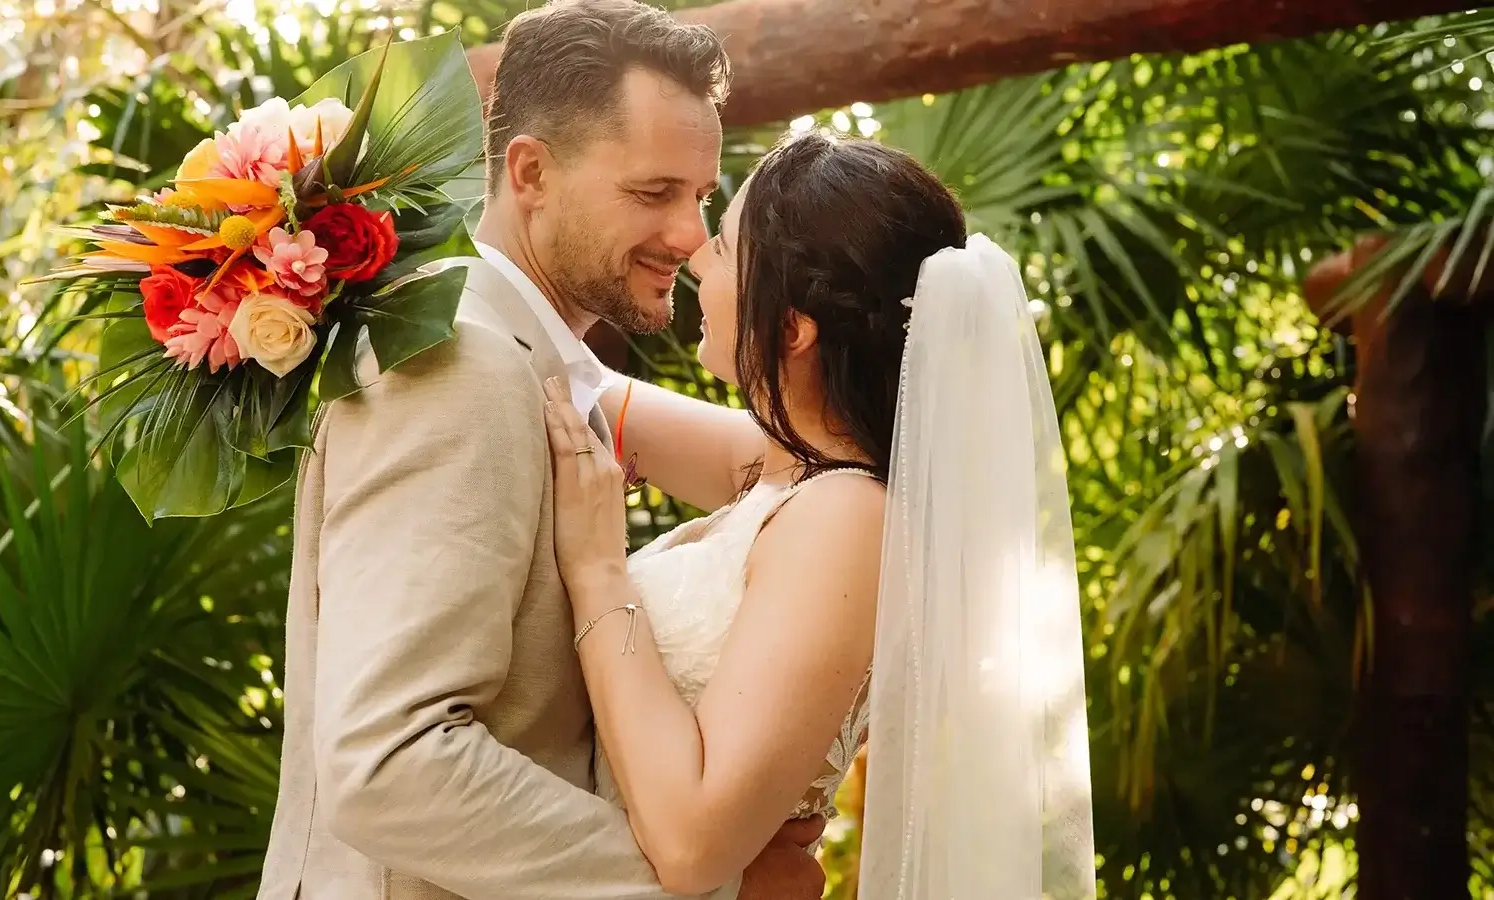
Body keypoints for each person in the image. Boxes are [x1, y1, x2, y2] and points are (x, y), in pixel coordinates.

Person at [256, 2, 826, 898]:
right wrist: (715, 889)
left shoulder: (537, 364)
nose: (690, 235)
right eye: (654, 193)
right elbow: (389, 762)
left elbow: (795, 463)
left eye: (702, 196)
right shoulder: (461, 367)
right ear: (530, 172)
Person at [542, 131, 1100, 898]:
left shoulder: (846, 518)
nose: (697, 257)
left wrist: (598, 570)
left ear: (792, 329)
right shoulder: (787, 470)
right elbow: (568, 384)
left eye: (725, 248)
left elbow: (693, 845)